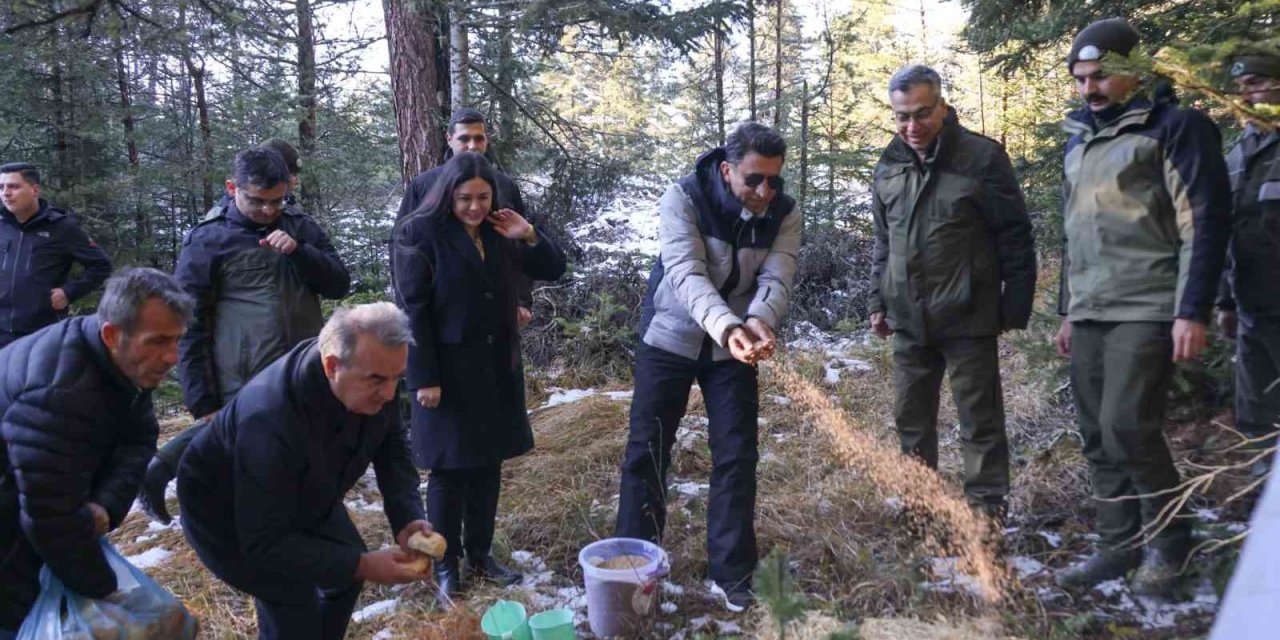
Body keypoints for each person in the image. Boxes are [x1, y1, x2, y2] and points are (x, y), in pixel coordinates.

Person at [1051, 18, 1232, 597]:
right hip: (1091, 308)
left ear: (1135, 68)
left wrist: (1192, 309)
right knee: (1096, 433)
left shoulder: (1176, 128)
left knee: (1128, 424)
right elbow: (1073, 231)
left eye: (1101, 76)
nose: (1090, 89)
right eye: (1081, 79)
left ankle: (1171, 543)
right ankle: (1117, 546)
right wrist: (1066, 311)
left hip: (1150, 305)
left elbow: (1201, 221)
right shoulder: (1080, 140)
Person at [615, 122, 802, 612]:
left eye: (774, 181)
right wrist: (728, 326)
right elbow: (685, 274)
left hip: (734, 347)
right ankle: (636, 564)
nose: (765, 192)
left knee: (737, 454)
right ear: (726, 170)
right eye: (754, 180)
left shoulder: (784, 211)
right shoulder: (684, 197)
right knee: (647, 449)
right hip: (670, 337)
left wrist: (759, 321)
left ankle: (733, 571)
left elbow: (778, 274)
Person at [177, 303, 432, 640]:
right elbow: (265, 542)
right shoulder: (269, 417)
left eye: (397, 378)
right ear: (332, 366)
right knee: (293, 602)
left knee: (343, 578)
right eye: (377, 380)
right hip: (228, 514)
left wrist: (407, 517)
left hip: (306, 490)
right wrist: (364, 564)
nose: (388, 394)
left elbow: (392, 448)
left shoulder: (368, 377)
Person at [139, 145, 350, 524]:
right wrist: (202, 399)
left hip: (301, 364)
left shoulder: (300, 226)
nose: (269, 210)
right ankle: (168, 478)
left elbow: (338, 284)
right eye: (257, 201)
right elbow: (189, 322)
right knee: (240, 450)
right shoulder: (209, 239)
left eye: (277, 201)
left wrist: (301, 253)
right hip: (241, 371)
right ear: (232, 187)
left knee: (290, 455)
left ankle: (163, 470)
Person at [392, 152, 567, 603]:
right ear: (447, 194)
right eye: (465, 198)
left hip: (496, 367)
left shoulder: (500, 229)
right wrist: (423, 377)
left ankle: (481, 554)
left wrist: (527, 234)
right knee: (449, 472)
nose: (474, 206)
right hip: (445, 372)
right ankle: (445, 564)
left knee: (488, 466)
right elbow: (414, 311)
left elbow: (555, 269)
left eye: (482, 197)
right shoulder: (419, 233)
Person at [867, 65, 1036, 520]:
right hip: (907, 319)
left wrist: (1013, 307)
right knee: (911, 422)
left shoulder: (981, 157)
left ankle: (985, 514)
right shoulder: (890, 163)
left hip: (969, 315)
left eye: (922, 114)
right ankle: (920, 509)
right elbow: (885, 241)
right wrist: (878, 301)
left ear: (942, 106)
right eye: (901, 117)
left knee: (979, 422)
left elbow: (1016, 236)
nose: (911, 126)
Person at [0, 268, 192, 636]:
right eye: (159, 341)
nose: (172, 357)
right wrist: (109, 593)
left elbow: (139, 437)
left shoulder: (119, 358)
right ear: (112, 334)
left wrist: (106, 504)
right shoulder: (59, 390)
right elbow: (50, 518)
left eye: (178, 340)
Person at [398, 108, 536, 327]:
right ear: (449, 139)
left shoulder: (505, 186)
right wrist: (410, 313)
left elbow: (519, 250)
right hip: (443, 314)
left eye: (479, 138)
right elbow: (402, 250)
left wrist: (521, 300)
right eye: (464, 139)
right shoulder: (424, 186)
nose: (472, 146)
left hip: (497, 309)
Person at [1216, 52, 1280, 479]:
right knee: (1257, 421)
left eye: (1257, 83)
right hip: (1253, 311)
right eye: (1241, 87)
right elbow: (1225, 233)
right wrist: (1225, 301)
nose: (1247, 94)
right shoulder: (1238, 153)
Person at [0, 162, 113, 348]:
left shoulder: (61, 227)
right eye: (1, 187)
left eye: (14, 186)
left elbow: (101, 266)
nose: (6, 193)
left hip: (41, 334)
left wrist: (68, 293)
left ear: (35, 190)